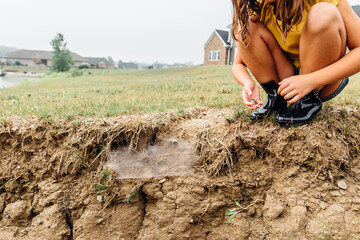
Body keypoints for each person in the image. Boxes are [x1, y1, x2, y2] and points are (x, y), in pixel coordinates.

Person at [231, 0, 360, 125]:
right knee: (245, 28)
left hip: (323, 81)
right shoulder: (260, 7)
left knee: (323, 12)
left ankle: (308, 100)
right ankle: (275, 99)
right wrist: (247, 82)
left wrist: (310, 80)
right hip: (286, 81)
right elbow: (238, 64)